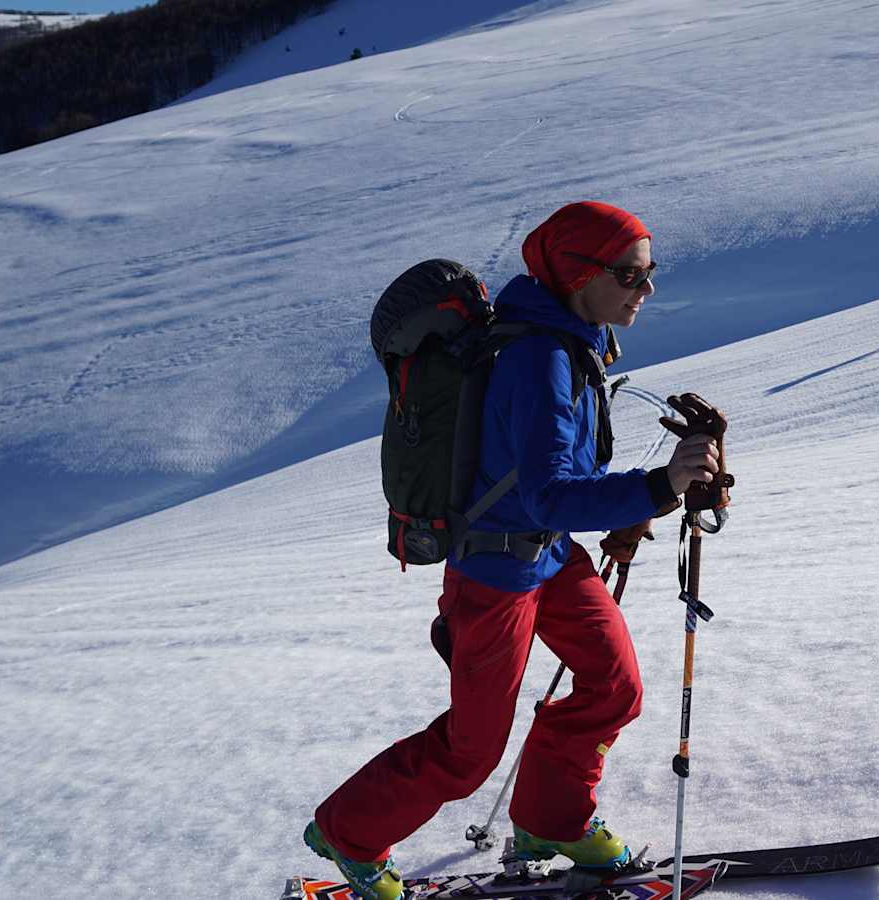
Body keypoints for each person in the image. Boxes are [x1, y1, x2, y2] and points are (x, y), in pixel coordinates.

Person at [304, 202, 722, 900]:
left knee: (612, 684)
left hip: (551, 558)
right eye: (629, 275)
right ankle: (346, 834)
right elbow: (549, 493)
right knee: (470, 752)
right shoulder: (539, 358)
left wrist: (634, 506)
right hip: (495, 574)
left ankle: (550, 821)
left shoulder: (571, 337)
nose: (645, 290)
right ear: (580, 273)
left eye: (650, 274)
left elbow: (559, 486)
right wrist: (656, 487)